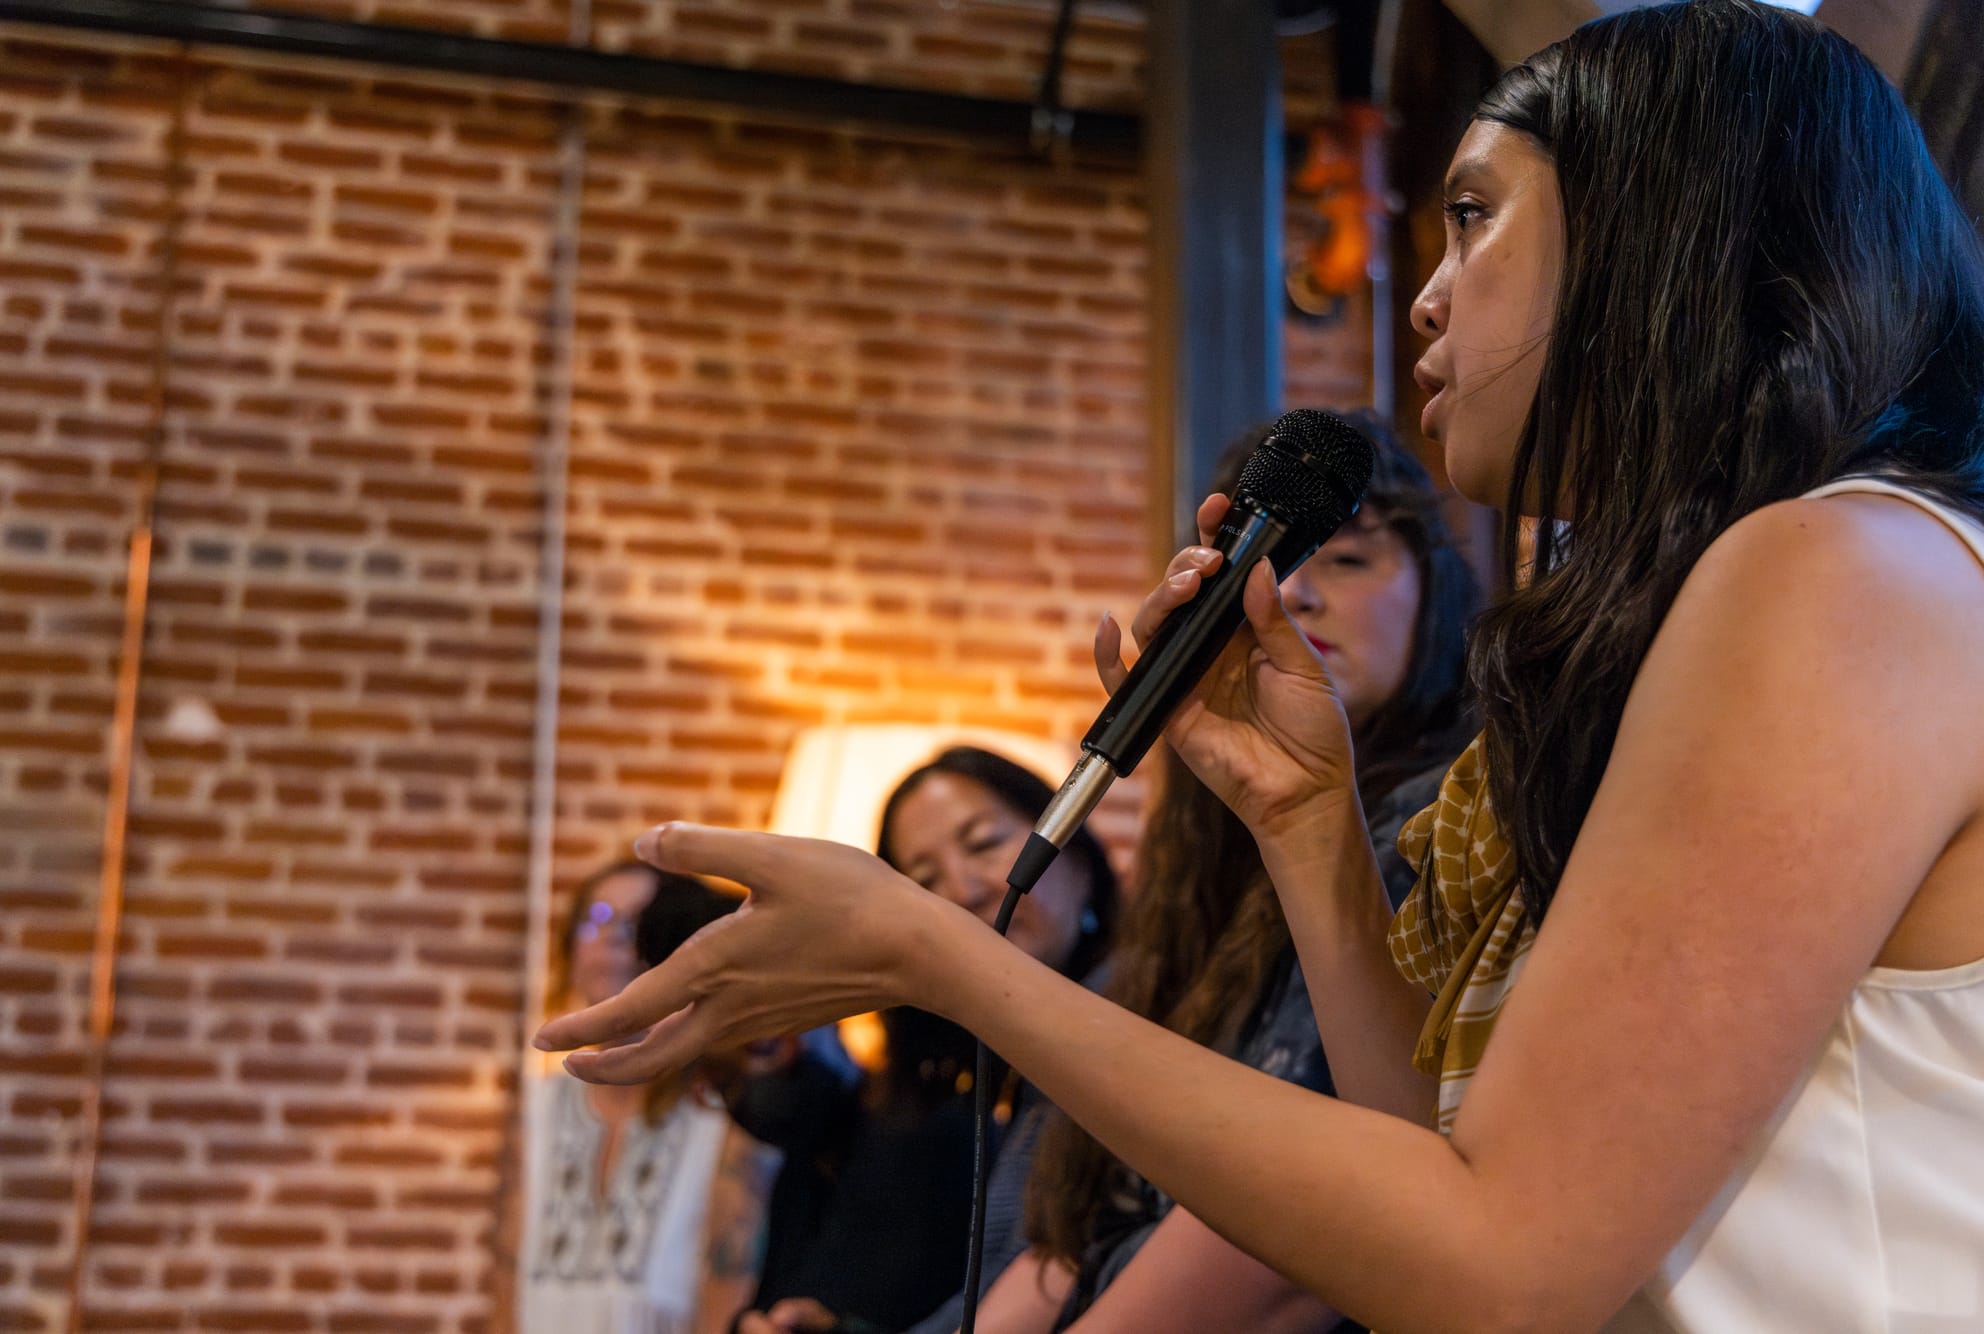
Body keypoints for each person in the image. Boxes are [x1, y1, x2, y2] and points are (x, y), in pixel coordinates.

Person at [540, 3, 1984, 1329]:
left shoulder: (1841, 569)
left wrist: (943, 953)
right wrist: (1309, 821)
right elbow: (1437, 1172)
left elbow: (1504, 1269)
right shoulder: (1795, 584)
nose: (1424, 297)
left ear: (1656, 231)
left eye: (1475, 216)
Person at [973, 419, 1479, 1334]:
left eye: (1351, 562)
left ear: (1434, 588)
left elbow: (1317, 1211)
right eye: (1264, 567)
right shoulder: (1198, 876)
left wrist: (942, 960)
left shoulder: (1443, 817)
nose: (1294, 597)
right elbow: (1071, 1235)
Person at [732, 747, 1119, 1334]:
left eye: (985, 842)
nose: (963, 891)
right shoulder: (968, 1074)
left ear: (1078, 853)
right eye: (926, 880)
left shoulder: (1136, 1019)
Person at [520, 861, 775, 1334]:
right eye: (597, 917)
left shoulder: (726, 1114)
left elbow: (724, 1302)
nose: (616, 938)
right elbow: (503, 1280)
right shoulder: (536, 1112)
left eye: (639, 924)